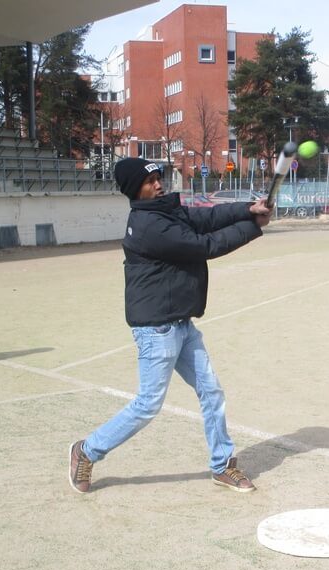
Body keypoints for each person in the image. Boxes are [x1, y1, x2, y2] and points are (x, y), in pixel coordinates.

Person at [69, 158, 270, 494]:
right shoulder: (150, 226)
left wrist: (249, 209)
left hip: (181, 322)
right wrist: (253, 227)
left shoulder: (164, 211)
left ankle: (222, 465)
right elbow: (203, 246)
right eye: (149, 181)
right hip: (156, 329)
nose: (158, 184)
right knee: (148, 405)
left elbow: (204, 217)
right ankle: (86, 451)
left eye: (157, 177)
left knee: (212, 392)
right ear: (136, 189)